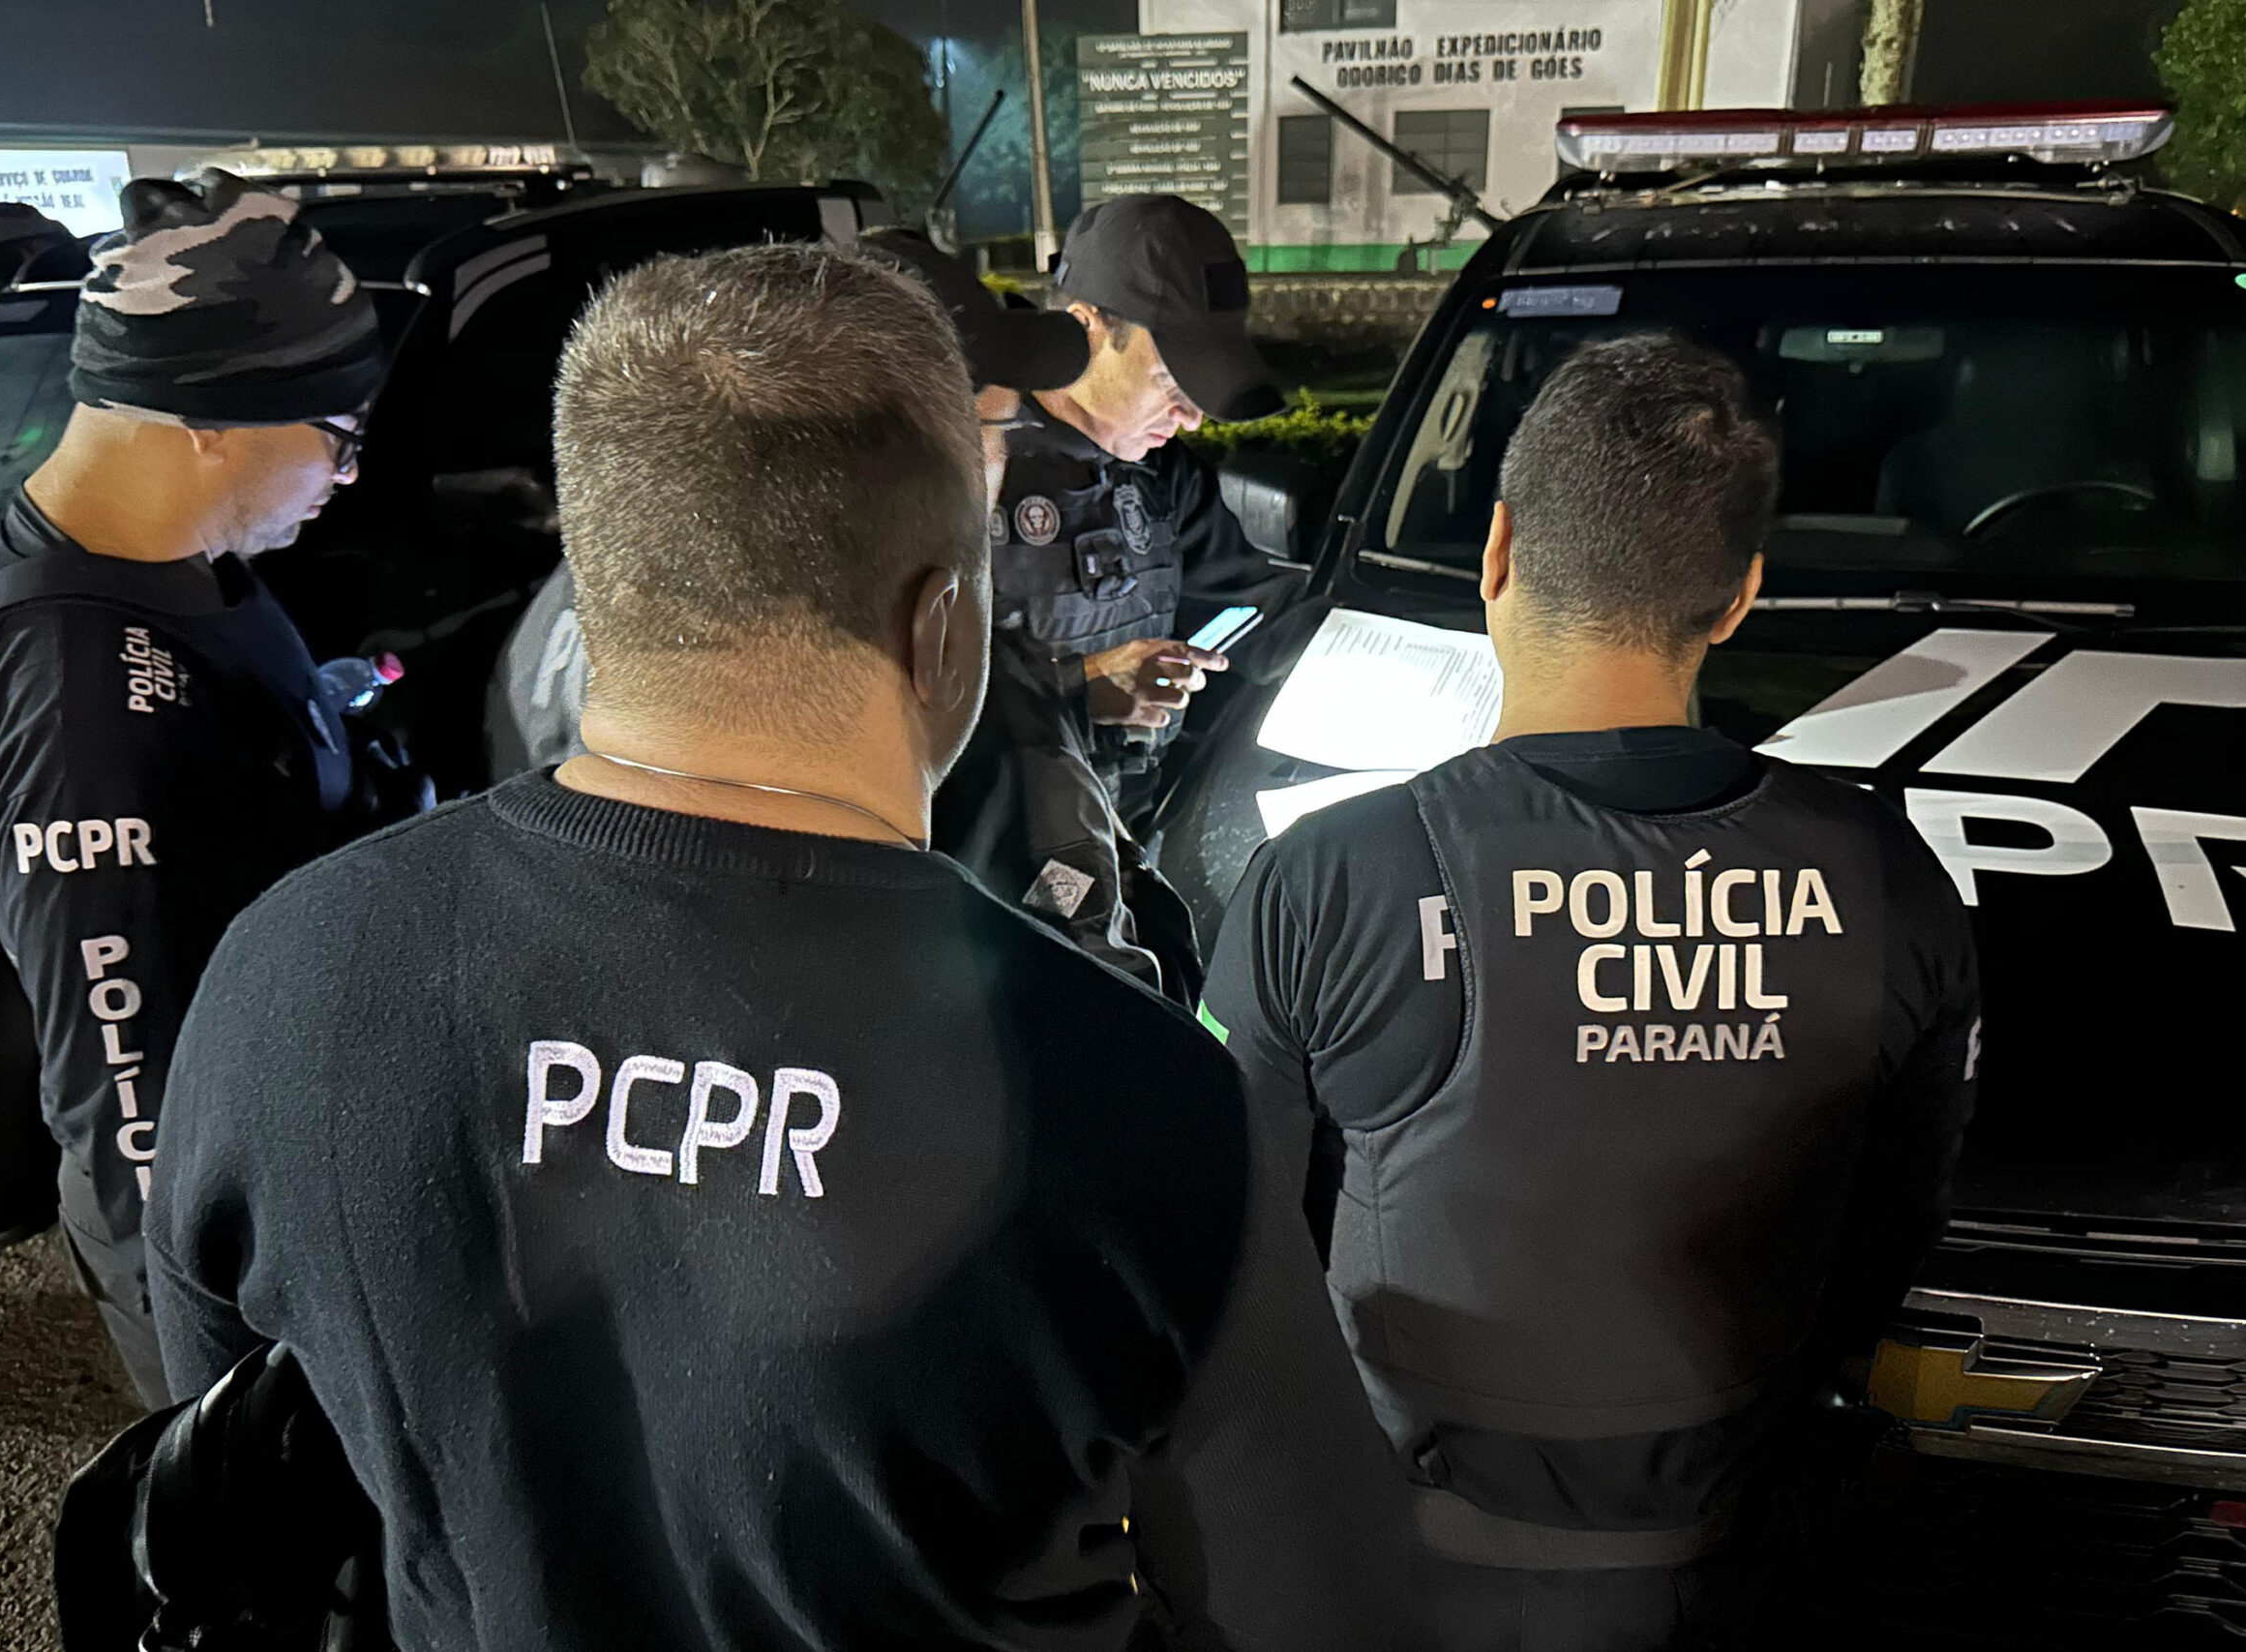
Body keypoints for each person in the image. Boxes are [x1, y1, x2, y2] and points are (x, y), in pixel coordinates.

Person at [146, 244, 1408, 1651]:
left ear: (608, 582)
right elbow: (1324, 1605)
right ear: (942, 625)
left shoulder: (289, 972)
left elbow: (232, 1466)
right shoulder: (1136, 1094)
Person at [1200, 334, 1983, 1650]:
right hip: (1747, 1569)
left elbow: (1228, 1253)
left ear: (1499, 551)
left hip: (1409, 1574)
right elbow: (1885, 1245)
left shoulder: (1333, 876)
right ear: (1737, 597)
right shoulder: (1887, 878)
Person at [0, 170, 397, 1407]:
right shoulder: (71, 708)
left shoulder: (159, 552)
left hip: (308, 1142)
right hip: (254, 1270)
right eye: (339, 435)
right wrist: (224, 1411)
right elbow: (133, 1120)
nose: (348, 477)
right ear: (209, 418)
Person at [487, 226, 1198, 995]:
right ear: (885, 476)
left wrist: (1069, 690)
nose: (1005, 465)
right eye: (995, 432)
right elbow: (1096, 994)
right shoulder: (931, 686)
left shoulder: (584, 597)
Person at [995, 194, 1297, 811]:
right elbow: (896, 695)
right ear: (1086, 329)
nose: (1191, 418)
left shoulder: (1163, 473)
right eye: (1170, 383)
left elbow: (1259, 610)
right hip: (998, 843)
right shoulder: (977, 462)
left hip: (1132, 829)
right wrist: (1075, 687)